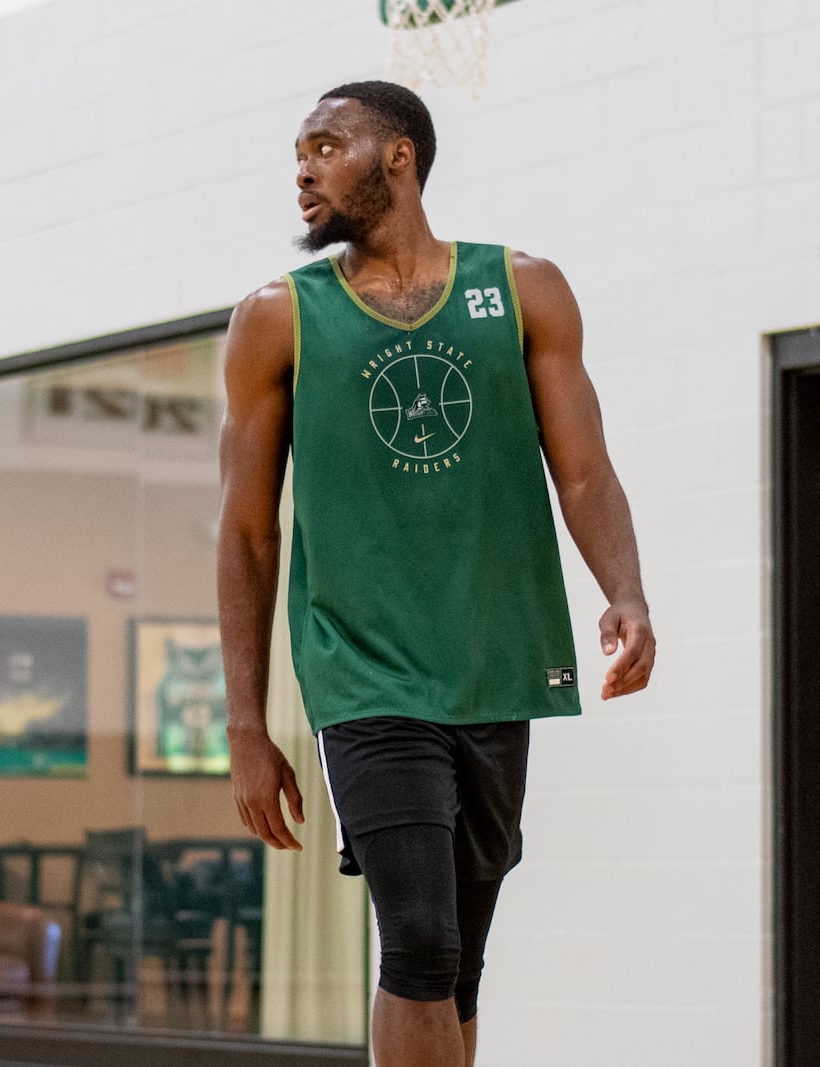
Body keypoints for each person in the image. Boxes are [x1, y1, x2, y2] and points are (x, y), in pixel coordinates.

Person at [217, 80, 654, 1067]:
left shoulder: (525, 287)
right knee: (415, 939)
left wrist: (624, 591)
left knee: (459, 960)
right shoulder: (277, 319)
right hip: (363, 675)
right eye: (298, 151)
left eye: (326, 146)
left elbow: (582, 469)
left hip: (498, 660)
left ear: (399, 155)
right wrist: (245, 723)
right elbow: (245, 532)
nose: (302, 169)